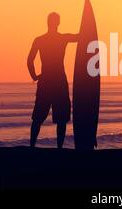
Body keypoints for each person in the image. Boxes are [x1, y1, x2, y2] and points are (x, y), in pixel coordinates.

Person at [27, 12, 79, 148]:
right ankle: (59, 148)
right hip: (59, 81)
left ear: (47, 22)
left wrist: (34, 76)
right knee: (60, 119)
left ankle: (32, 146)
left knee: (38, 117)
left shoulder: (39, 40)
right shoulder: (62, 38)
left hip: (45, 81)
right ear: (58, 23)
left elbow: (29, 60)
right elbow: (81, 37)